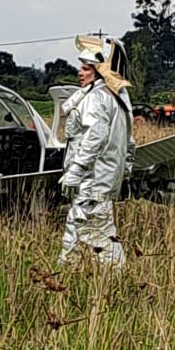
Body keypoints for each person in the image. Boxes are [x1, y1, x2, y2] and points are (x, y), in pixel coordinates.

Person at [59, 34, 136, 268]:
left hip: (92, 181)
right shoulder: (119, 100)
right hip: (100, 181)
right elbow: (129, 143)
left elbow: (95, 136)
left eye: (85, 68)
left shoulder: (97, 98)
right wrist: (125, 170)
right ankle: (65, 275)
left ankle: (117, 279)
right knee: (76, 229)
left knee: (96, 232)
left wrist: (76, 170)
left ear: (99, 70)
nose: (79, 73)